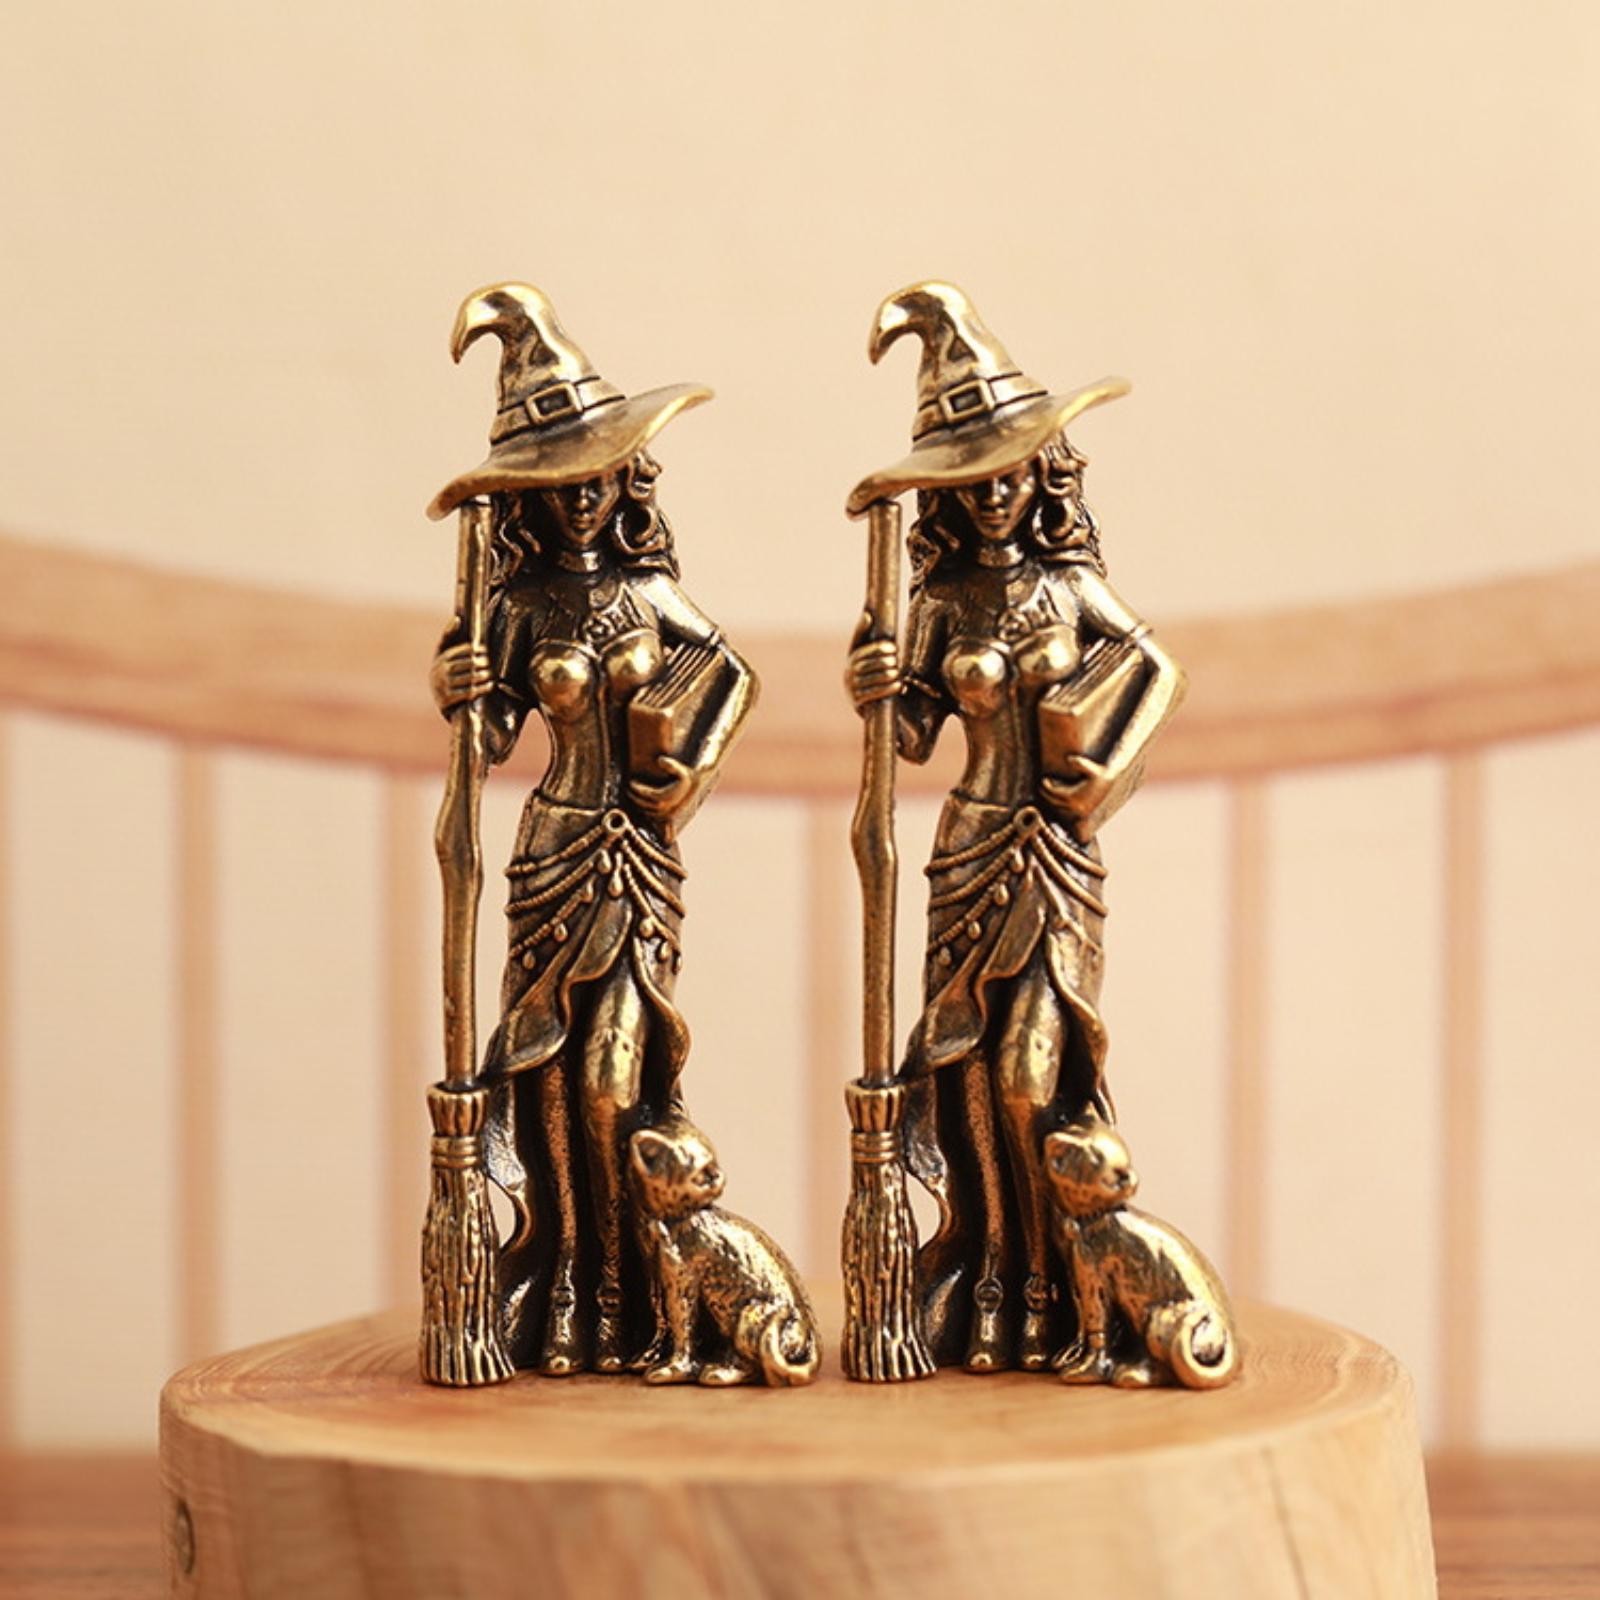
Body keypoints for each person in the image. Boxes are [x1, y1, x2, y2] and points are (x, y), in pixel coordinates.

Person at [846, 282, 1186, 1371]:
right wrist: (876, 685)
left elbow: (1156, 669)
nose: (994, 495)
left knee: (1034, 1073)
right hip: (969, 850)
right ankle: (989, 1272)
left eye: (1010, 471)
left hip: (1055, 854)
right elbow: (910, 740)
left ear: (1043, 469)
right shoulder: (940, 599)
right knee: (968, 1076)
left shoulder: (1070, 583)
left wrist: (1103, 770)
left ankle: (1054, 1270)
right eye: (971, 478)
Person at [428, 283, 755, 1374]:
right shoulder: (517, 608)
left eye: (595, 476)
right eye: (557, 483)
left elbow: (730, 676)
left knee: (620, 1079)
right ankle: (566, 1281)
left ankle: (626, 1276)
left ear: (624, 476)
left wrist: (686, 771)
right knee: (549, 1081)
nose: (578, 501)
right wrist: (460, 685)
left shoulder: (651, 595)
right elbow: (489, 739)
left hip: (638, 857)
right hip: (555, 853)